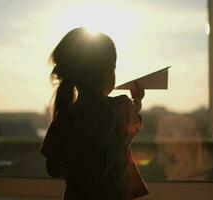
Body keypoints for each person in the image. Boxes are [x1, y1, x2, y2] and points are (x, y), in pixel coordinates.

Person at [40, 27, 149, 200]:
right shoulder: (121, 107)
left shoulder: (66, 116)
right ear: (106, 74)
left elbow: (52, 167)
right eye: (113, 68)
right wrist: (137, 100)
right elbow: (135, 123)